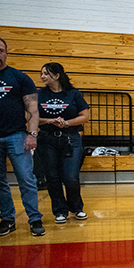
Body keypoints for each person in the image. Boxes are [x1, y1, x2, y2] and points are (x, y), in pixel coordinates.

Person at [0, 36, 44, 237]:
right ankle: (7, 219)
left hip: (17, 136)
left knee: (26, 178)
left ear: (6, 53)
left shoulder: (19, 77)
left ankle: (34, 218)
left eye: (0, 50)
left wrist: (32, 134)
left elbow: (32, 107)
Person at [36, 63, 90, 224]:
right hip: (47, 138)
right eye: (42, 74)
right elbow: (31, 117)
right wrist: (49, 120)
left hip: (70, 138)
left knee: (71, 177)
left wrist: (66, 123)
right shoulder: (39, 94)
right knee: (52, 177)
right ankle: (60, 211)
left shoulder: (73, 94)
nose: (43, 76)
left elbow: (85, 116)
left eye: (46, 73)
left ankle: (76, 207)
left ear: (57, 75)